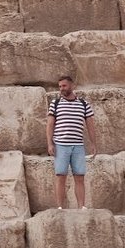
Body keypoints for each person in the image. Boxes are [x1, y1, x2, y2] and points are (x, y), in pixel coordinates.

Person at [47, 74, 97, 209]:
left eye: (64, 86)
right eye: (60, 86)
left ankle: (81, 206)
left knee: (79, 176)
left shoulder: (84, 104)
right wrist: (50, 143)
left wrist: (93, 144)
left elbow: (90, 125)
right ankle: (60, 207)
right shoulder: (55, 103)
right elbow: (50, 124)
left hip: (78, 146)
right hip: (61, 145)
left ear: (72, 85)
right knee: (60, 176)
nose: (61, 89)